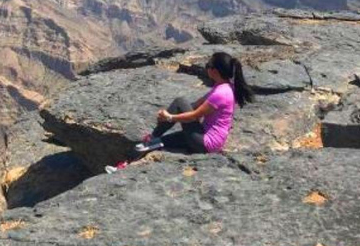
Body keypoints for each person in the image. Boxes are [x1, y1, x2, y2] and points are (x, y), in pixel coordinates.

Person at [105, 52, 254, 173]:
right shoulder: (225, 86)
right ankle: (124, 166)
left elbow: (195, 115)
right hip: (204, 137)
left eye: (208, 65)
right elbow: (195, 105)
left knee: (179, 102)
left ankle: (152, 136)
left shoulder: (221, 93)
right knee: (158, 144)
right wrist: (172, 113)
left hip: (205, 143)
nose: (206, 68)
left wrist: (170, 117)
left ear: (214, 71)